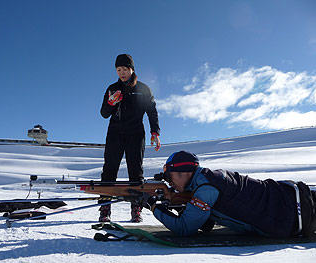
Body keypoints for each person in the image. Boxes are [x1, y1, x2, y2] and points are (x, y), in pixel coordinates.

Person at [133, 151, 316, 237]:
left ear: (185, 172)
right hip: (293, 199)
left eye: (170, 177)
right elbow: (206, 224)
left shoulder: (205, 188)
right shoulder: (207, 179)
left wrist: (153, 206)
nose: (169, 182)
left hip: (296, 213)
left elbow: (184, 229)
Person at [99, 54, 161, 223]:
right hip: (115, 133)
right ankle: (105, 210)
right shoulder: (112, 88)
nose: (122, 73)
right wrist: (111, 103)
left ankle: (136, 210)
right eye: (119, 70)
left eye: (125, 69)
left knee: (135, 172)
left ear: (132, 69)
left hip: (135, 133)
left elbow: (152, 111)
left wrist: (154, 132)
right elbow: (104, 114)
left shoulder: (143, 88)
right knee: (109, 171)